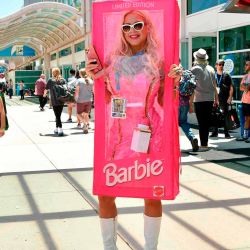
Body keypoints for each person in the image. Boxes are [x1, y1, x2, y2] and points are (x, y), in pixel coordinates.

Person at [87, 10, 180, 250]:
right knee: (106, 192)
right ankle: (109, 247)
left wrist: (176, 81)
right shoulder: (112, 60)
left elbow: (165, 99)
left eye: (137, 25)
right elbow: (107, 97)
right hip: (117, 135)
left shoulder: (158, 61)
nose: (132, 31)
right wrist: (94, 78)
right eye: (126, 27)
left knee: (152, 192)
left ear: (148, 27)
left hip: (149, 132)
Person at [190, 48, 219, 150]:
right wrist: (216, 99)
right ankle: (205, 143)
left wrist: (190, 102)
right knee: (205, 122)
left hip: (199, 99)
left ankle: (203, 144)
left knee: (201, 122)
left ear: (196, 58)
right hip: (210, 99)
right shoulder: (211, 68)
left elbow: (191, 86)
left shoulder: (194, 69)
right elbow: (215, 86)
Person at [210, 59, 234, 138]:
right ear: (216, 65)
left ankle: (226, 132)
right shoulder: (213, 75)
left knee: (225, 115)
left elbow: (231, 87)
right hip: (215, 98)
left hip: (224, 98)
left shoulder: (227, 75)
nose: (221, 66)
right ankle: (215, 132)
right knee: (215, 116)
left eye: (222, 65)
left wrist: (230, 97)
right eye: (219, 64)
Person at [178, 68, 199, 152]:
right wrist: (191, 105)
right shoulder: (187, 74)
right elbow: (192, 92)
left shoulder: (174, 73)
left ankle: (173, 145)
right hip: (185, 104)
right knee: (183, 123)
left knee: (172, 124)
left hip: (175, 104)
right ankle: (192, 137)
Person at [43, 68, 66, 136]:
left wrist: (44, 94)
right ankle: (56, 128)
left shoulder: (51, 80)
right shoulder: (63, 80)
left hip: (54, 100)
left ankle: (60, 129)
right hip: (62, 100)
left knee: (57, 115)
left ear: (53, 73)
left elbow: (46, 89)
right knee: (58, 115)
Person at [74, 69, 93, 134]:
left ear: (80, 74)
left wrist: (75, 99)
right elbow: (93, 91)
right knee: (86, 114)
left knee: (78, 114)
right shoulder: (91, 80)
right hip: (89, 100)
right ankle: (87, 125)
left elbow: (77, 91)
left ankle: (85, 124)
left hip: (81, 100)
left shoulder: (79, 81)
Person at [237, 60, 250, 142]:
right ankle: (245, 136)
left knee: (248, 119)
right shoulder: (245, 76)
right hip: (244, 101)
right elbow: (241, 87)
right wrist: (246, 86)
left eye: (247, 65)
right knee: (246, 119)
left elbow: (246, 87)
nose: (245, 66)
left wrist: (245, 86)